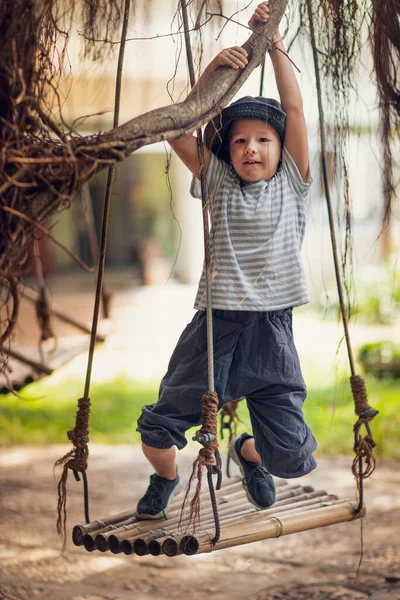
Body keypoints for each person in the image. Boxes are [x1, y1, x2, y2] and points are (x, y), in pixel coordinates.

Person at [136, 1, 317, 519]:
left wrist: (275, 45)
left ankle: (247, 453)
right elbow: (177, 127)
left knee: (293, 456)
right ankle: (163, 479)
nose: (251, 148)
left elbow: (296, 110)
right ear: (228, 151)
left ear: (283, 151)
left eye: (264, 140)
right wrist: (215, 70)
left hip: (271, 330)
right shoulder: (216, 182)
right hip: (215, 326)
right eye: (239, 141)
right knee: (157, 428)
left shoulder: (292, 184)